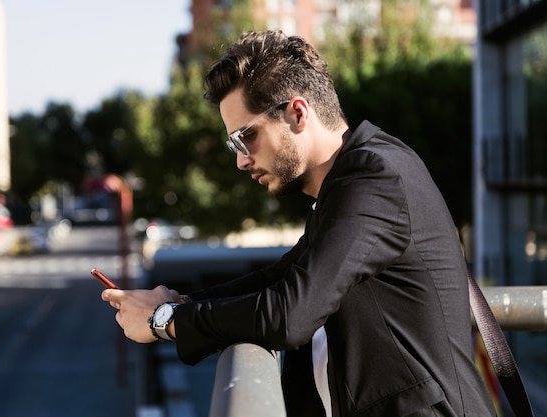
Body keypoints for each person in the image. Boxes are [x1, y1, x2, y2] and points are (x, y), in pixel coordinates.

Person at [102, 30, 496, 417]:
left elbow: (291, 314)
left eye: (246, 137)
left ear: (297, 112)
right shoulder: (350, 178)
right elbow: (282, 277)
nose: (240, 160)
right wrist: (182, 304)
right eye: (233, 145)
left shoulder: (374, 177)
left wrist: (165, 322)